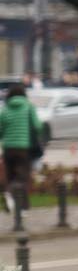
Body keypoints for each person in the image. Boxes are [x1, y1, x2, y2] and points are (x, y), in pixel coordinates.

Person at [0, 83, 45, 216]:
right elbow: (38, 127)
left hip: (8, 149)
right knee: (23, 178)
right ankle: (14, 198)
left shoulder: (5, 110)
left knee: (11, 177)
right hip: (24, 149)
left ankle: (21, 206)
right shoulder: (29, 107)